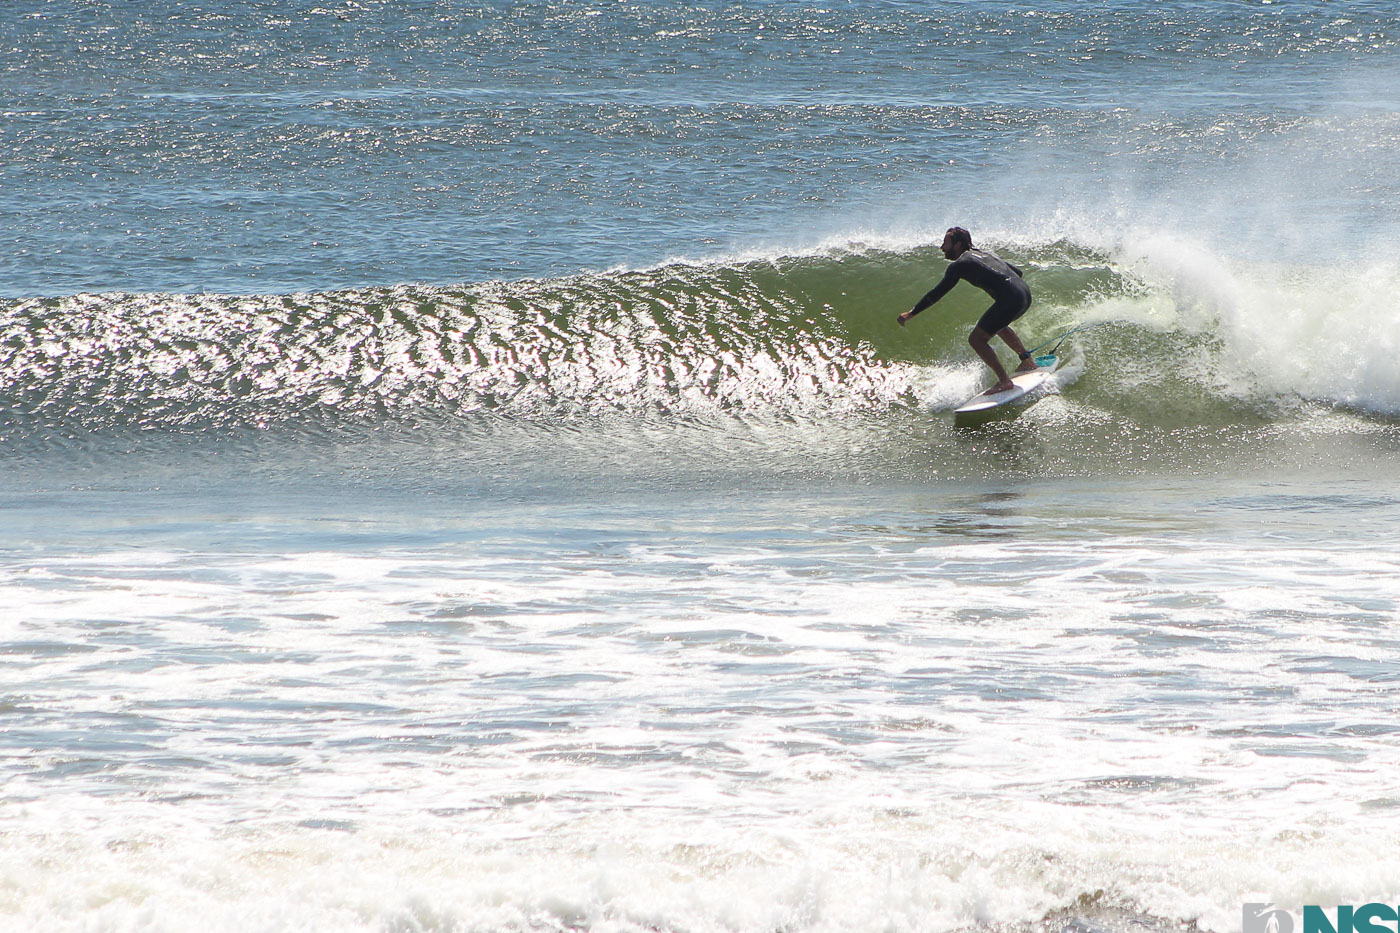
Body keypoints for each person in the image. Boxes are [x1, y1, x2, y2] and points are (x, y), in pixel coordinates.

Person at [897, 227, 1037, 394]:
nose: (942, 247)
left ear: (958, 244)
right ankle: (1027, 361)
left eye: (945, 243)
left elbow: (937, 293)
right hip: (1024, 294)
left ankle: (1004, 381)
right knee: (998, 326)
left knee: (976, 339)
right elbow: (1018, 272)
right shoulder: (986, 253)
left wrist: (911, 313)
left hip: (1011, 299)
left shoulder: (960, 264)